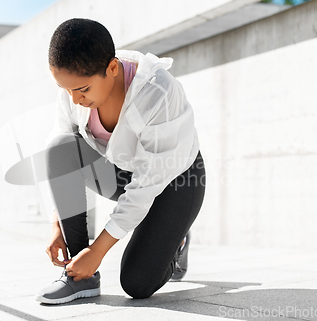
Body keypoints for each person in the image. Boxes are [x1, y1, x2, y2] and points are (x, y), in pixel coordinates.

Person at [35, 18, 206, 304]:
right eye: (67, 90)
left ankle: (177, 237)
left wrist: (98, 251)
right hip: (122, 171)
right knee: (59, 146)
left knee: (137, 284)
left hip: (176, 182)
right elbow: (60, 156)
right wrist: (58, 226)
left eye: (83, 90)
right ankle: (81, 278)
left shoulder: (157, 91)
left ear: (112, 69)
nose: (75, 100)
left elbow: (146, 185)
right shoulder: (75, 90)